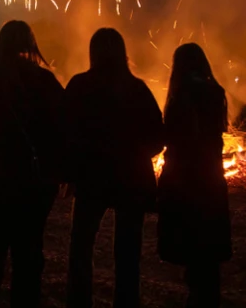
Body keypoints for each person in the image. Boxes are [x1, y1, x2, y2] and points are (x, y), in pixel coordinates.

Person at [0, 20, 65, 308]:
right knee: (29, 254)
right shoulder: (46, 83)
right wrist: (57, 175)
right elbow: (64, 130)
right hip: (36, 184)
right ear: (31, 44)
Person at [64, 28, 164, 308]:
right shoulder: (138, 89)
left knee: (81, 247)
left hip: (90, 178)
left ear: (92, 52)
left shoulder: (80, 86)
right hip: (131, 180)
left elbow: (64, 132)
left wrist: (70, 171)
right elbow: (158, 136)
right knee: (128, 252)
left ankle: (79, 302)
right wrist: (135, 155)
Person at [157, 43, 231, 307]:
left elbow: (177, 140)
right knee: (208, 253)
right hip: (211, 177)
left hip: (185, 180)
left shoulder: (181, 94)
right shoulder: (216, 91)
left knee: (191, 247)